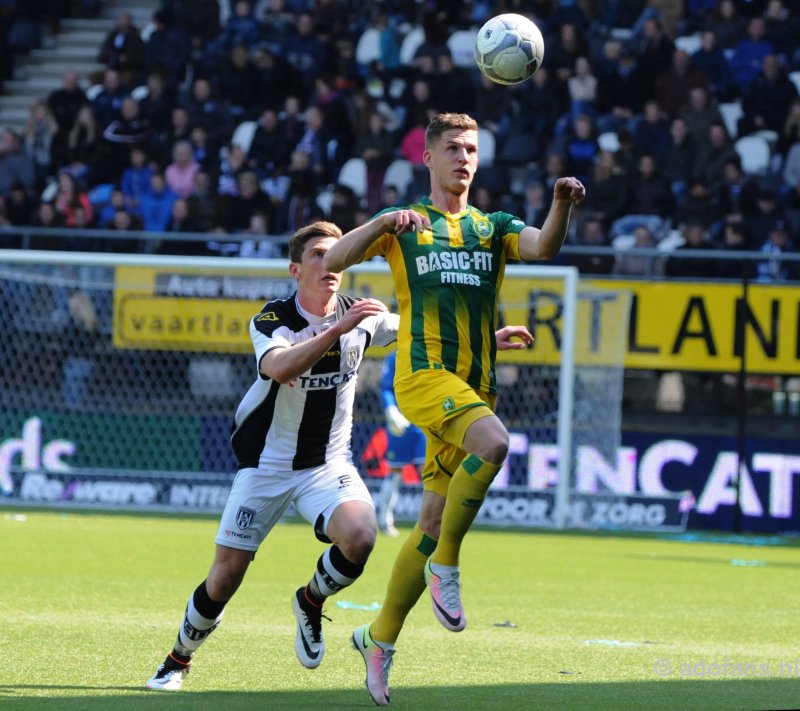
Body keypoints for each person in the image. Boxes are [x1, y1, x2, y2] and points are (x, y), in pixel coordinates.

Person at [323, 112, 584, 706]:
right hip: (422, 378)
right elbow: (336, 257)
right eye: (453, 148)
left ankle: (378, 637)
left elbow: (543, 245)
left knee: (431, 521)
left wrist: (561, 203)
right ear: (429, 157)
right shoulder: (408, 224)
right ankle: (447, 567)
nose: (464, 158)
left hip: (473, 384)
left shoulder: (492, 228)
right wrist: (384, 220)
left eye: (471, 149)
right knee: (495, 445)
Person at [145, 221, 398, 692]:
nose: (331, 262)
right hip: (266, 466)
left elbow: (422, 338)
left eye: (338, 253)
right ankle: (177, 659)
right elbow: (279, 367)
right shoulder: (272, 319)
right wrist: (337, 328)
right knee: (224, 578)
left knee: (361, 535)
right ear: (295, 269)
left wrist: (489, 337)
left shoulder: (364, 315)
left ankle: (310, 600)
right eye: (320, 254)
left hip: (327, 464)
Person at [376, 350, 426, 537]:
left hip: (425, 420)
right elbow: (386, 387)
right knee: (395, 470)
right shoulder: (395, 357)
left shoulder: (435, 353)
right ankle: (384, 520)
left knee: (428, 471)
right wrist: (391, 410)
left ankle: (429, 523)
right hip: (402, 421)